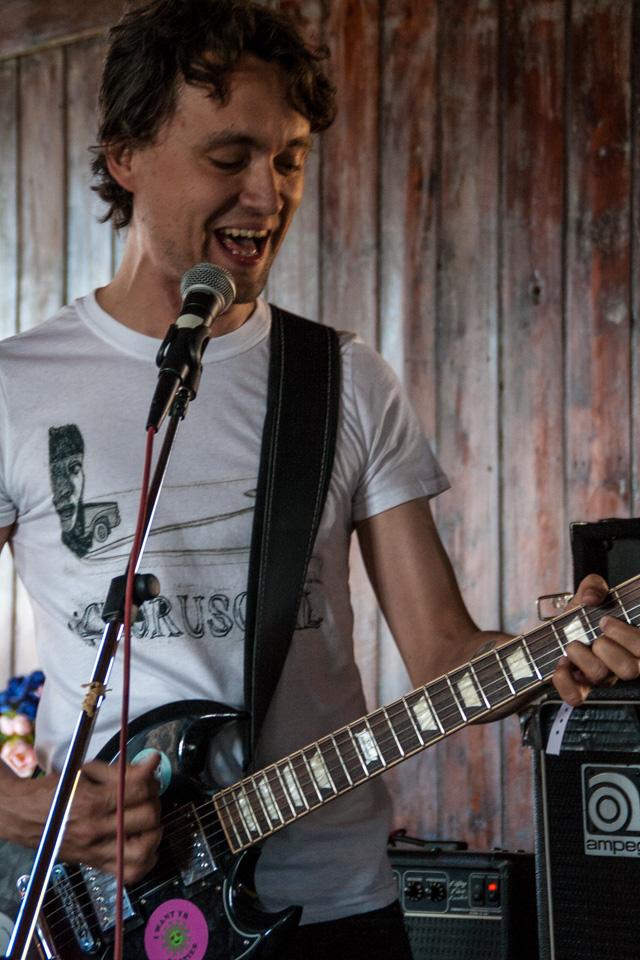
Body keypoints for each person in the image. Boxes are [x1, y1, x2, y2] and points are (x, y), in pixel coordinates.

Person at [0, 1, 638, 958]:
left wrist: (559, 651)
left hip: (332, 908)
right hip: (99, 918)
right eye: (230, 157)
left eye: (290, 159)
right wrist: (23, 809)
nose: (268, 196)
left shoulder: (342, 379)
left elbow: (443, 652)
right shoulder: (17, 386)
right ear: (126, 155)